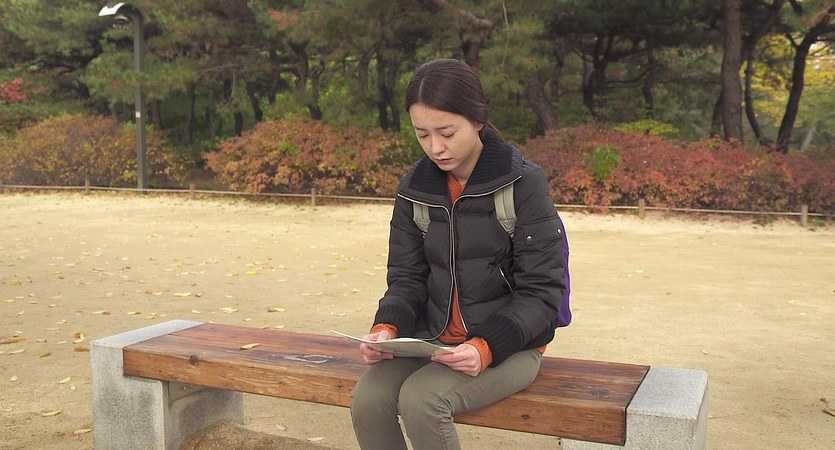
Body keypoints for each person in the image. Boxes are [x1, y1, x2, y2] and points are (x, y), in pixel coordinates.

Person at [350, 58, 567, 450]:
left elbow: (542, 292)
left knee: (422, 400)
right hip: (431, 339)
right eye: (422, 134)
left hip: (510, 346)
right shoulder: (414, 189)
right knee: (368, 399)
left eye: (447, 132)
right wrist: (388, 328)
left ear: (478, 120)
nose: (436, 147)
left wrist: (485, 347)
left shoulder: (523, 183)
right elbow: (406, 279)